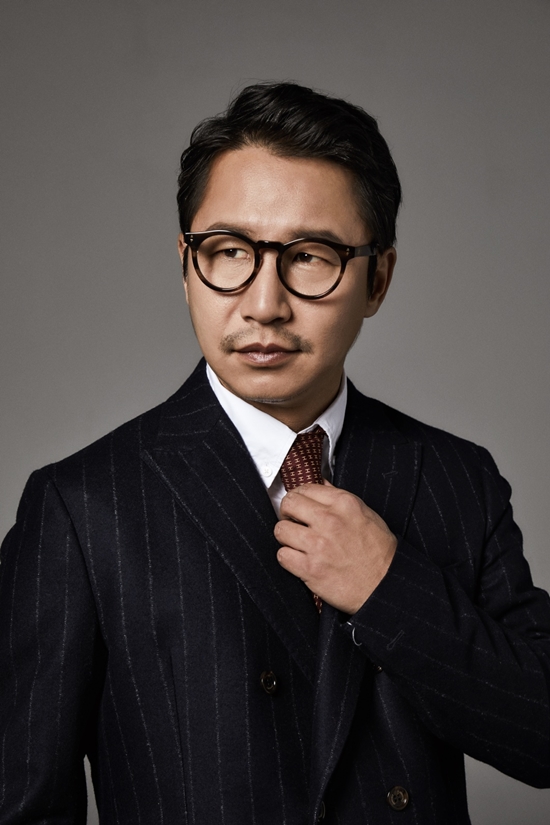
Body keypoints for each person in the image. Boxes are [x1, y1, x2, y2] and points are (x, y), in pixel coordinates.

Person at [1, 82, 549, 825]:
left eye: (311, 256)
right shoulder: (83, 506)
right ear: (186, 264)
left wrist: (391, 590)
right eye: (229, 252)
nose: (264, 304)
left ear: (378, 279)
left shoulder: (456, 479)